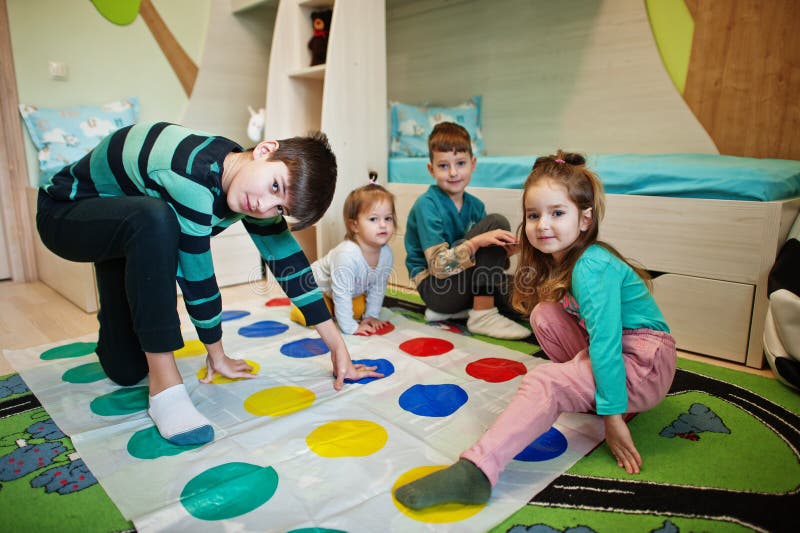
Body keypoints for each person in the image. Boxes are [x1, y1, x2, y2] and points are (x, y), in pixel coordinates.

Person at [36, 121, 383, 447]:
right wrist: (216, 353)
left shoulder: (246, 181)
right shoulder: (192, 175)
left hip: (121, 231)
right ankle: (165, 391)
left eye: (280, 208)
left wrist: (336, 346)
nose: (264, 205)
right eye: (275, 186)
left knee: (126, 371)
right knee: (157, 218)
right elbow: (197, 276)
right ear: (265, 149)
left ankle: (118, 322)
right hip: (66, 213)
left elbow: (288, 260)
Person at [394, 151, 677, 509]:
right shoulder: (565, 261)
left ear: (585, 220)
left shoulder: (591, 266)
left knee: (544, 381)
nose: (543, 224)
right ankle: (597, 391)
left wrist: (612, 417)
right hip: (628, 353)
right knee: (544, 314)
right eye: (533, 215)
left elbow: (605, 343)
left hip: (645, 365)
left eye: (557, 213)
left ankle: (478, 470)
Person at [404, 122, 530, 340]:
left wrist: (507, 251)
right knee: (496, 222)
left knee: (525, 293)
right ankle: (481, 314)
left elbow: (487, 265)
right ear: (430, 169)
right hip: (437, 289)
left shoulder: (475, 206)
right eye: (443, 166)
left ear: (472, 164)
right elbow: (438, 268)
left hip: (465, 285)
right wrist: (477, 242)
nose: (453, 172)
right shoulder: (427, 204)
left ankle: (454, 313)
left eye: (460, 163)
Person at [290, 180, 395, 335]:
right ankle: (298, 308)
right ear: (354, 226)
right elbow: (341, 293)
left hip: (341, 293)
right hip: (313, 289)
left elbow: (377, 287)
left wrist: (371, 316)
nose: (383, 225)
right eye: (374, 219)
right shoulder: (347, 255)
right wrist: (351, 327)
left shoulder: (386, 254)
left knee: (358, 310)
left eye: (388, 218)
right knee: (317, 316)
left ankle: (335, 310)